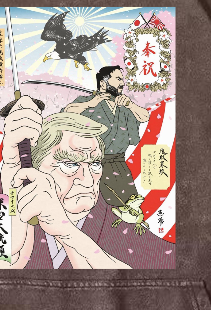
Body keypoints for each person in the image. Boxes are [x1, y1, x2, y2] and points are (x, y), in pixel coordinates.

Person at [0, 97, 174, 269]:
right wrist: (13, 206)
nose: (87, 179)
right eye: (69, 164)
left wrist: (66, 231)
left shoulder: (117, 222)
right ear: (35, 167)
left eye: (95, 164)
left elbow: (164, 271)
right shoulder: (4, 192)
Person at [63, 65, 150, 208]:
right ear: (103, 84)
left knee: (130, 204)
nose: (122, 83)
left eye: (122, 79)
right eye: (118, 79)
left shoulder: (123, 105)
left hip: (119, 163)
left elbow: (144, 116)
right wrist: (90, 104)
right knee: (102, 207)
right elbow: (67, 112)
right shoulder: (89, 101)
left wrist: (130, 105)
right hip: (93, 164)